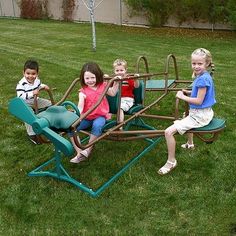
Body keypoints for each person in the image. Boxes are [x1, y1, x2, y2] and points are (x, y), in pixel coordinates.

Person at [158, 48, 216, 175]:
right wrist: (189, 92)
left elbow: (199, 101)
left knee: (168, 132)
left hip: (199, 115)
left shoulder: (202, 79)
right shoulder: (204, 76)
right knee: (185, 114)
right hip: (205, 113)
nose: (196, 66)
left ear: (206, 63)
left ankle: (171, 161)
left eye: (199, 64)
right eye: (193, 63)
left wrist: (182, 96)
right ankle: (190, 144)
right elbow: (202, 94)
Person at [69, 62, 119, 163]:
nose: (90, 80)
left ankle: (88, 149)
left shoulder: (103, 86)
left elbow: (113, 93)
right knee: (71, 128)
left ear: (98, 76)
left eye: (93, 77)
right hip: (87, 117)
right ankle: (79, 152)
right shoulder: (82, 92)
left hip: (100, 116)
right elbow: (80, 106)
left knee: (97, 126)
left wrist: (117, 82)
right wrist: (77, 115)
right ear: (83, 78)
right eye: (87, 78)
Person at [16, 60, 51, 144]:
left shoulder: (37, 80)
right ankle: (32, 135)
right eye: (28, 73)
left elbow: (39, 86)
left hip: (35, 100)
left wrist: (44, 86)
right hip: (24, 102)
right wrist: (32, 93)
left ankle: (49, 121)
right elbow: (20, 96)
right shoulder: (21, 84)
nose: (30, 76)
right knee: (28, 115)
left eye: (33, 74)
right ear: (23, 73)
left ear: (37, 74)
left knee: (50, 104)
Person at [113, 59, 140, 126]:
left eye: (121, 70)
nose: (119, 72)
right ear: (114, 71)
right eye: (117, 70)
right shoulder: (115, 79)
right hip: (117, 99)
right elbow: (109, 88)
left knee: (120, 108)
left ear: (125, 70)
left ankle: (119, 126)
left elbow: (136, 86)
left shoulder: (128, 78)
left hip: (127, 99)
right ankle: (107, 123)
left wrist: (136, 79)